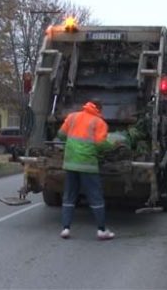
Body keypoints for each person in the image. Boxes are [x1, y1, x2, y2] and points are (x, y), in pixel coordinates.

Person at [57, 100, 115, 240]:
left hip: (70, 163)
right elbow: (101, 145)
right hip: (87, 165)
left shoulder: (72, 116)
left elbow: (61, 135)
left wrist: (72, 142)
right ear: (99, 109)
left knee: (69, 196)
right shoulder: (99, 122)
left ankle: (65, 228)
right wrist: (111, 146)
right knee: (95, 197)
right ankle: (101, 230)